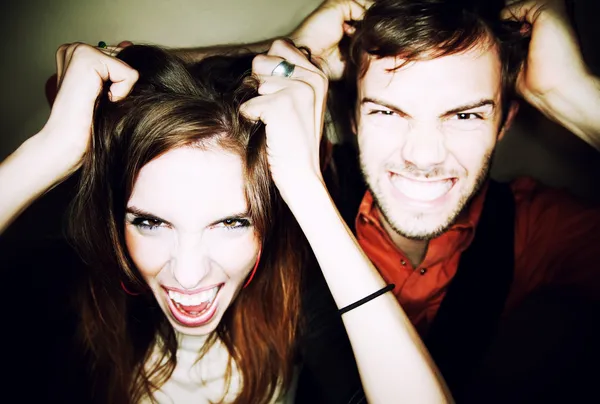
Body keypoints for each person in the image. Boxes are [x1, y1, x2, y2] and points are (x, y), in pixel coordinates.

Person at [161, 0, 600, 401]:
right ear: (353, 117)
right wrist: (291, 53)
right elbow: (118, 80)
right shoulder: (292, 184)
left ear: (504, 123)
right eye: (387, 112)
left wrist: (574, 94)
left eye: (464, 115)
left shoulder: (534, 224)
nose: (423, 156)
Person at [0, 37, 451, 403]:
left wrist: (304, 184)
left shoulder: (295, 293)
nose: (188, 274)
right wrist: (48, 152)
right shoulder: (63, 293)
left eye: (233, 222)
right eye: (151, 223)